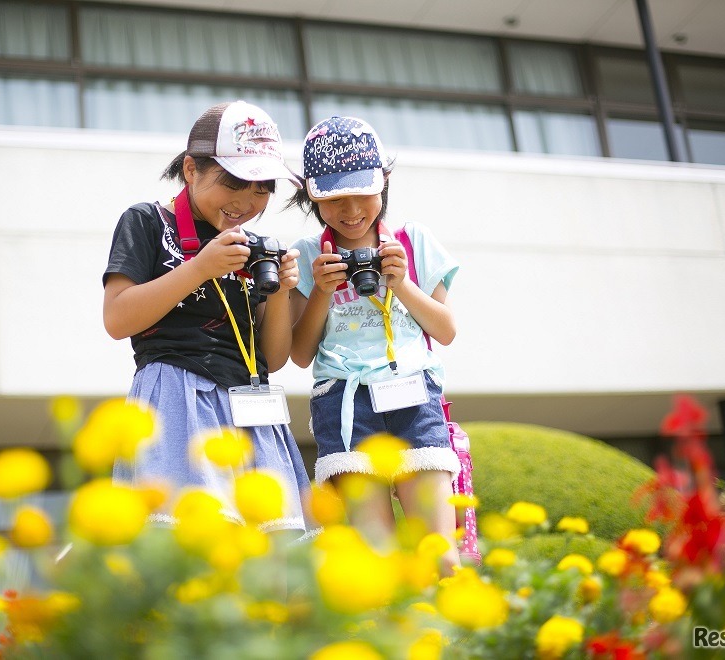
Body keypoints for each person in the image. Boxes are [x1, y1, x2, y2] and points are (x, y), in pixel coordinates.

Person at [103, 100, 311, 535]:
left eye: (261, 187)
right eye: (234, 181)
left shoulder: (254, 246)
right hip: (176, 394)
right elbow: (118, 318)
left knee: (271, 556)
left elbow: (272, 358)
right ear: (191, 169)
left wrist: (281, 293)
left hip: (250, 405)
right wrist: (198, 268)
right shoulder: (146, 221)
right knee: (193, 541)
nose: (247, 201)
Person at [288, 115, 463, 572]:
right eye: (333, 198)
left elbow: (444, 331)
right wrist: (322, 291)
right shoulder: (307, 254)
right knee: (378, 559)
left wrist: (401, 283)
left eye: (362, 193)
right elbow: (300, 354)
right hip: (344, 402)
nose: (350, 210)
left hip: (411, 391)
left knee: (439, 555)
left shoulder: (412, 240)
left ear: (384, 181)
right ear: (313, 195)